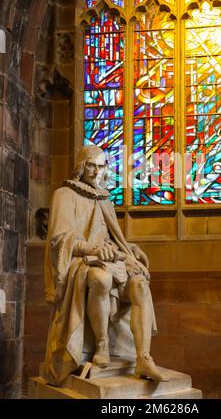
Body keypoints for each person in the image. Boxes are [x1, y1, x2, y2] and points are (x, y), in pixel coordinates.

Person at [42, 145, 168, 385]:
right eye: (91, 165)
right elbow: (60, 239)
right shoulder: (64, 194)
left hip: (113, 259)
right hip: (83, 262)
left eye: (101, 166)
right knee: (100, 279)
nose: (96, 171)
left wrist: (130, 249)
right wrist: (92, 250)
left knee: (140, 284)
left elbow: (111, 237)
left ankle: (143, 357)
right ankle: (101, 344)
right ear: (81, 166)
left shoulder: (105, 200)